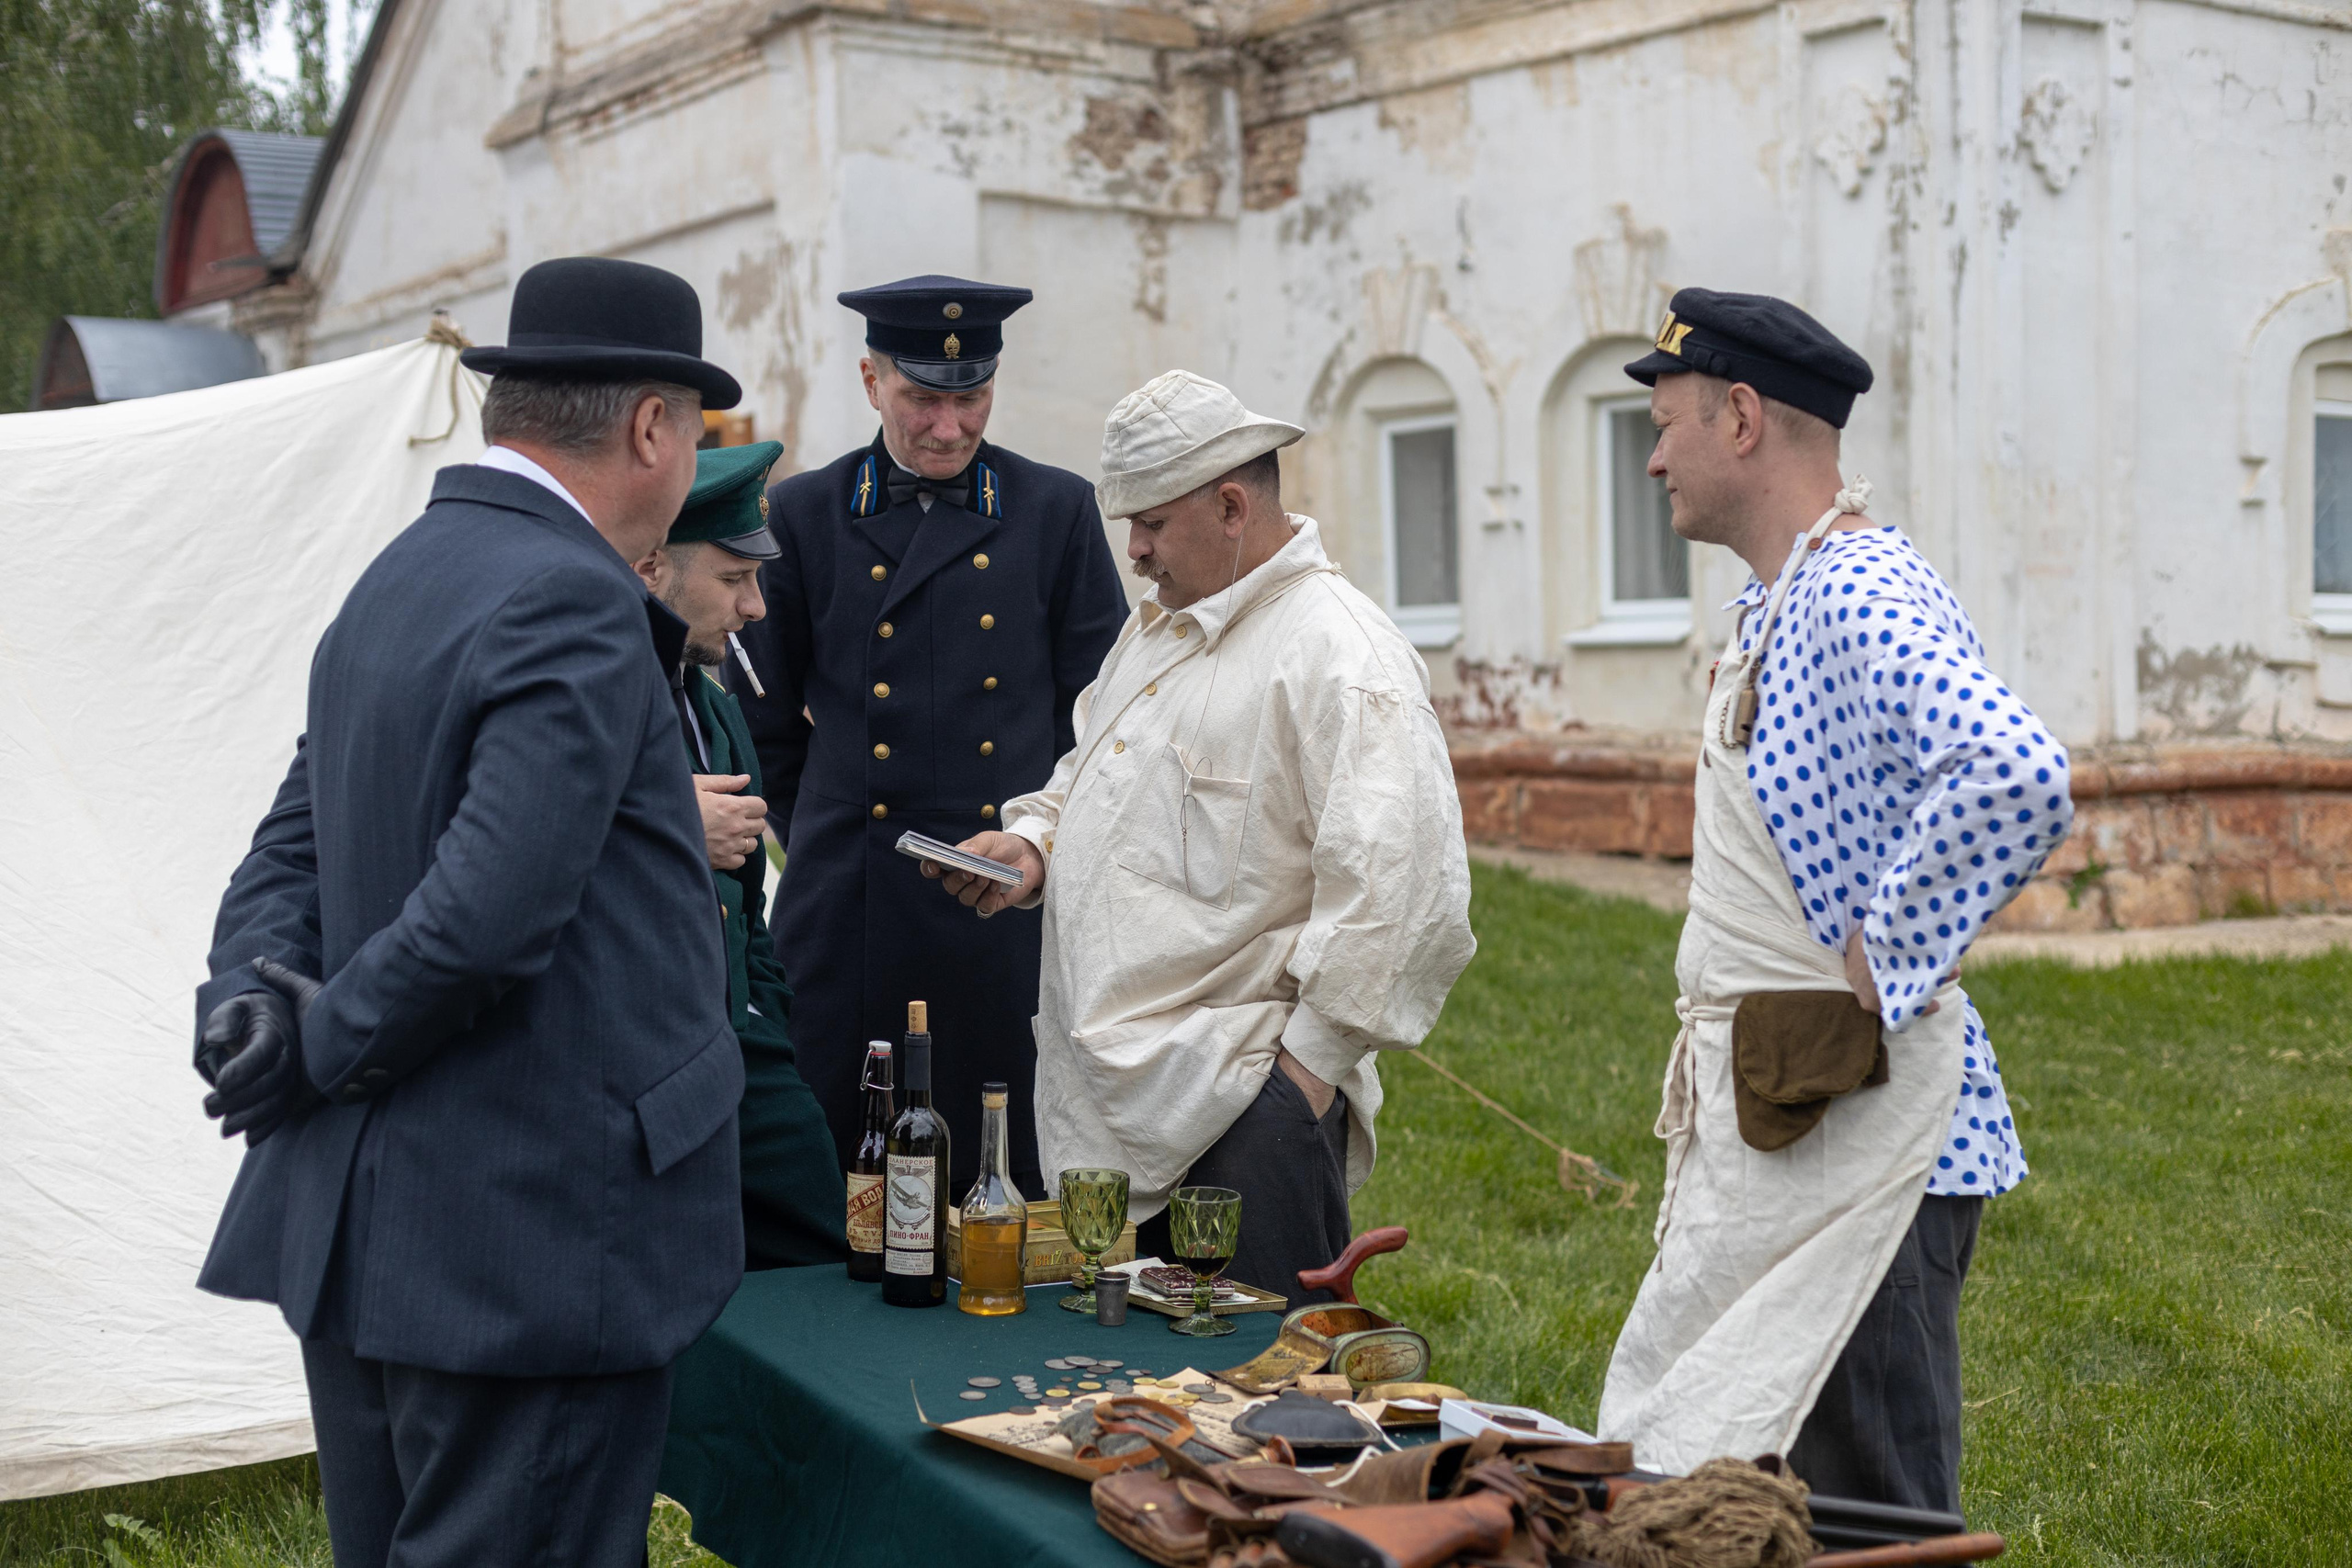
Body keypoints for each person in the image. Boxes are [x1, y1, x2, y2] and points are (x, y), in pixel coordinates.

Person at [191, 257, 748, 1567]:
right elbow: (489, 914)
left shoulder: (405, 569)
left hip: (385, 1232)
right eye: (694, 428)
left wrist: (247, 1005)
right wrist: (308, 1044)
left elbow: (283, 855)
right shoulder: (575, 594)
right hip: (525, 1243)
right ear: (653, 429)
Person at [1594, 289, 2074, 1510]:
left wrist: (1881, 956)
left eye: (1666, 421)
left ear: (1741, 416)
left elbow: (2016, 769)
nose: (1651, 454)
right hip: (1800, 1111)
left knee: (1872, 1523)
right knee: (1753, 1488)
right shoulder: (1782, 597)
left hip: (1870, 1143)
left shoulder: (1856, 590)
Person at [923, 370, 1476, 1300]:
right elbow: (1091, 774)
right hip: (1119, 1112)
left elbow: (1404, 893)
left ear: (1230, 505)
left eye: (1149, 523)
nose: (1132, 551)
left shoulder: (1339, 655)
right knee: (1145, 1416)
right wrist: (1034, 847)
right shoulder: (1161, 629)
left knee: (1263, 1413)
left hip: (1243, 1112)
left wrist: (1302, 1080)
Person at [733, 274, 1126, 1196]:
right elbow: (757, 727)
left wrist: (1035, 849)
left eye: (970, 399)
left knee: (1003, 1162)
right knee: (838, 1168)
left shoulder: (1055, 512)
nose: (948, 428)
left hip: (1002, 905)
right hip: (850, 908)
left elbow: (1104, 724)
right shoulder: (800, 516)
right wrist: (834, 833)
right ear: (872, 382)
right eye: (921, 399)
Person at [633, 440, 847, 1269]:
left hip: (738, 1051)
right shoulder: (600, 699)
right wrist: (670, 829)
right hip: (645, 1066)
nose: (757, 606)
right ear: (653, 568)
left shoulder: (718, 712)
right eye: (733, 579)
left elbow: (749, 917)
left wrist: (765, 1019)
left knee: (828, 1251)